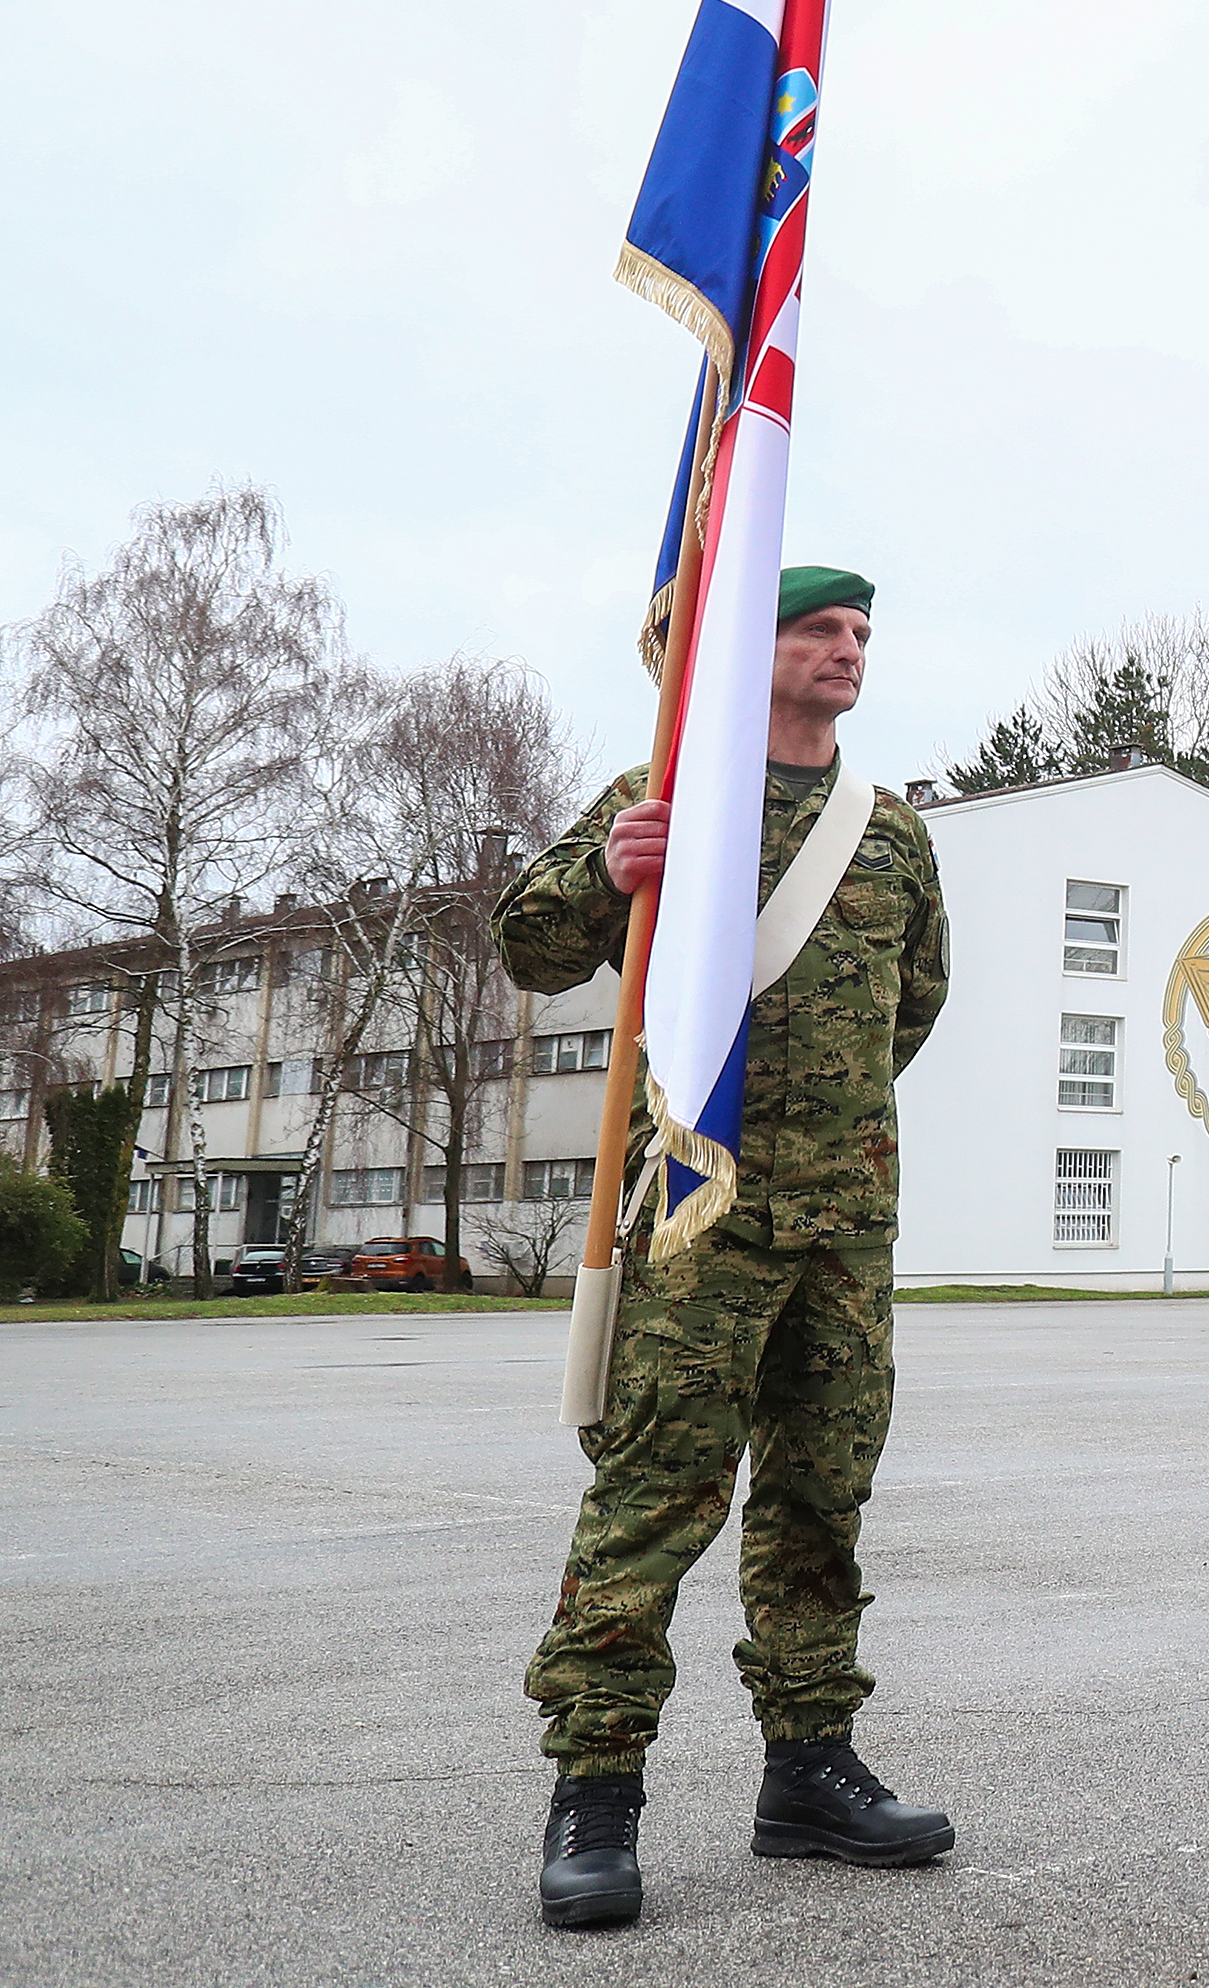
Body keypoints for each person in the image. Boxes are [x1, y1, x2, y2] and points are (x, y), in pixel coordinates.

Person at [503, 565, 956, 1927]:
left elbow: (915, 998)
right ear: (749, 645)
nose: (848, 648)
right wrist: (606, 868)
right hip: (704, 1207)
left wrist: (832, 1124)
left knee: (824, 1497)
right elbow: (531, 943)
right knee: (656, 1496)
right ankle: (596, 1788)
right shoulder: (669, 788)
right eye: (820, 626)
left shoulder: (890, 831)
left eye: (863, 632)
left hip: (846, 1225)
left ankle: (810, 1765)